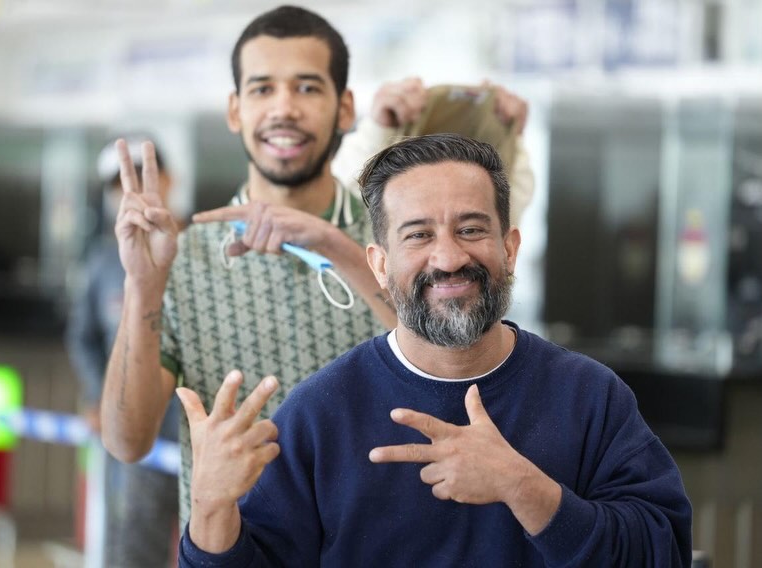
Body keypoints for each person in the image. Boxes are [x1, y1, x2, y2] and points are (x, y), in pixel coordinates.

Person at [100, 4, 532, 528]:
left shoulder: (403, 238)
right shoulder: (184, 257)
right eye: (262, 89)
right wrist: (144, 285)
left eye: (307, 88)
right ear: (236, 111)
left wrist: (337, 247)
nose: (284, 108)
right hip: (239, 552)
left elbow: (460, 363)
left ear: (345, 110)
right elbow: (127, 441)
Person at [176, 134, 693, 567]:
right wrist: (210, 507)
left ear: (509, 248)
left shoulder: (589, 396)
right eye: (418, 236)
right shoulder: (319, 412)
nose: (448, 257)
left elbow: (665, 552)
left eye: (471, 230)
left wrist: (525, 488)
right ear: (379, 264)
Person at [66, 135, 179, 567]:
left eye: (142, 177)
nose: (129, 192)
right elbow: (82, 336)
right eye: (118, 184)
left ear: (168, 179)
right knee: (134, 543)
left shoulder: (201, 251)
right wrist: (99, 395)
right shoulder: (101, 264)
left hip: (193, 434)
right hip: (136, 440)